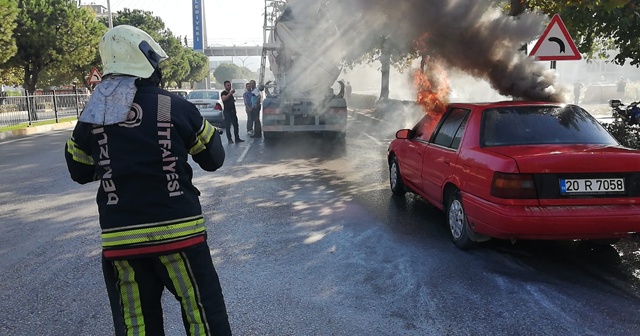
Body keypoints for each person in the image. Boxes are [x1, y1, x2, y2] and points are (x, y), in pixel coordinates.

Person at [64, 25, 232, 336]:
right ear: (147, 62)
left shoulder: (93, 115)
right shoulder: (173, 105)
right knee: (203, 317)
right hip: (180, 235)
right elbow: (213, 160)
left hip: (120, 243)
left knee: (136, 326)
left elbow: (79, 171)